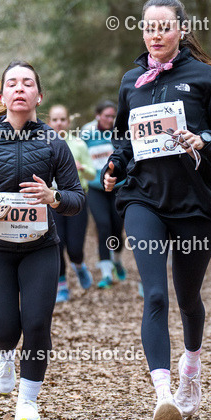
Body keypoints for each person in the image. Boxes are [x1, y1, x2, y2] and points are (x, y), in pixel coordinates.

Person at [103, 0, 211, 420]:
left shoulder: (205, 78)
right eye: (149, 28)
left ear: (181, 30)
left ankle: (191, 371)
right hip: (144, 200)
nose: (156, 35)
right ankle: (163, 397)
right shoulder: (133, 81)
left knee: (187, 299)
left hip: (195, 205)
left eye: (164, 27)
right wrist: (115, 168)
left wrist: (204, 139)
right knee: (155, 296)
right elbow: (125, 138)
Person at [0, 61, 85, 420]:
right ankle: (2, 354)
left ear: (38, 96)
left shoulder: (54, 144)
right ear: (2, 96)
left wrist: (52, 196)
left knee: (37, 323)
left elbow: (77, 197)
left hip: (40, 249)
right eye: (12, 83)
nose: (20, 88)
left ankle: (27, 402)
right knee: (4, 328)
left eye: (27, 83)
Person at [46, 104, 96, 302]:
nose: (59, 123)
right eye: (55, 120)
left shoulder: (78, 145)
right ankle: (62, 286)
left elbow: (93, 174)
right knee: (57, 245)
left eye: (63, 119)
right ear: (49, 122)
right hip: (52, 200)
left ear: (68, 122)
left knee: (74, 247)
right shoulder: (44, 144)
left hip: (76, 198)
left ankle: (79, 264)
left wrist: (81, 167)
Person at [81, 100, 129, 288]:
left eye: (112, 116)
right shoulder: (87, 132)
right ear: (98, 116)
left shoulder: (119, 131)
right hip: (95, 187)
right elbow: (78, 152)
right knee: (103, 226)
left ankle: (116, 260)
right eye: (106, 116)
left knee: (117, 227)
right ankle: (106, 273)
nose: (110, 119)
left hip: (118, 186)